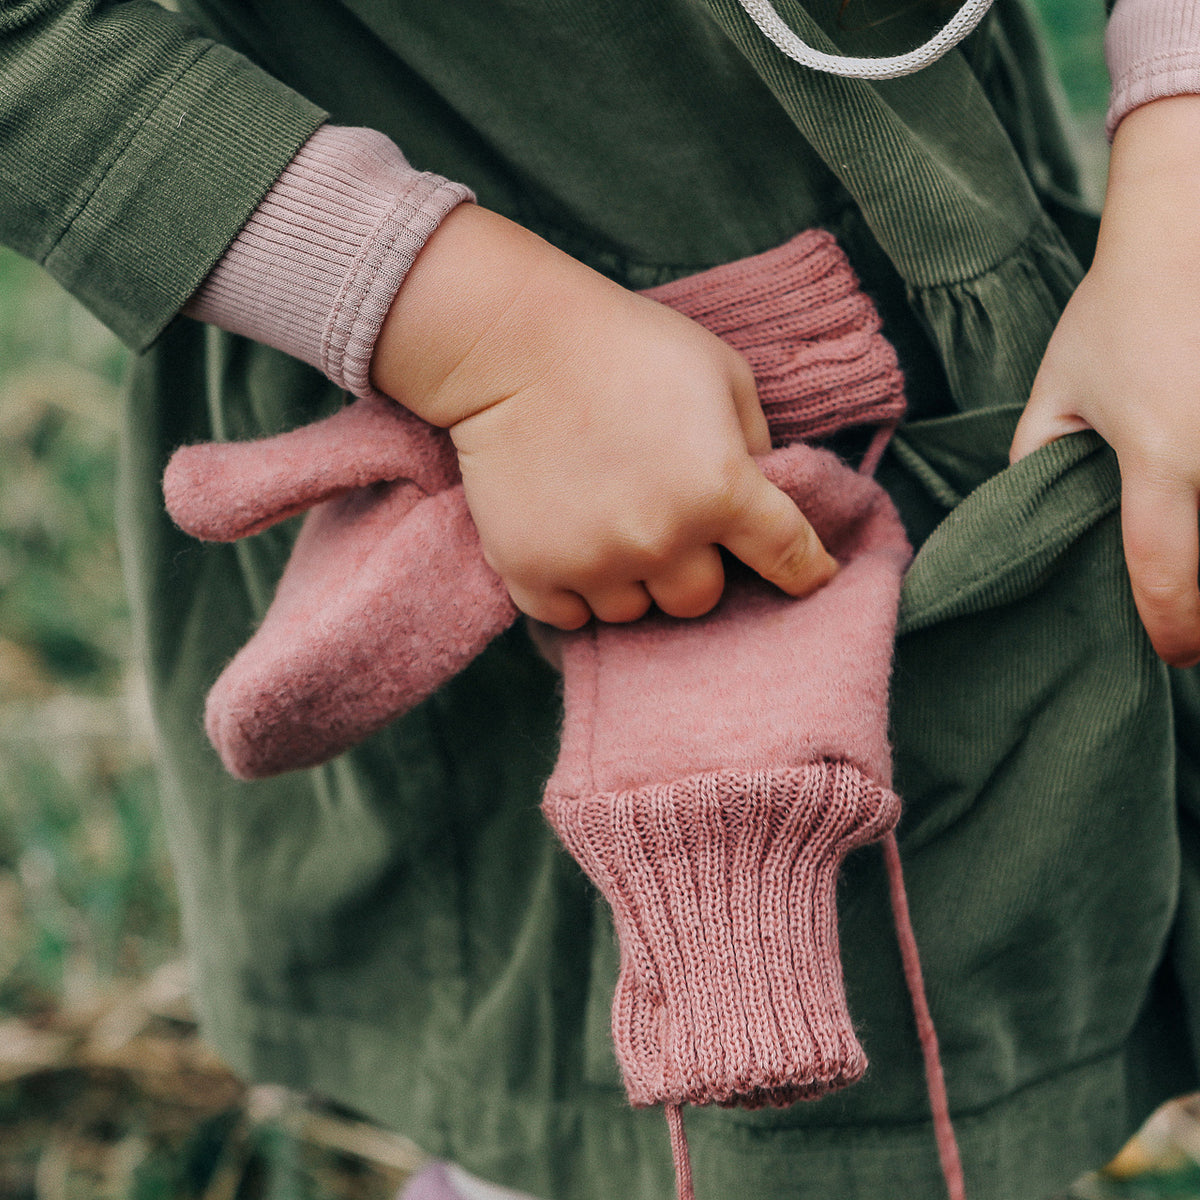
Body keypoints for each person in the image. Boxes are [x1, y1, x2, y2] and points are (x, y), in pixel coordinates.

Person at [2, 0, 1200, 1197]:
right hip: (448, 367)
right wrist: (470, 333)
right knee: (615, 1124)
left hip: (1019, 298)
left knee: (1009, 954)